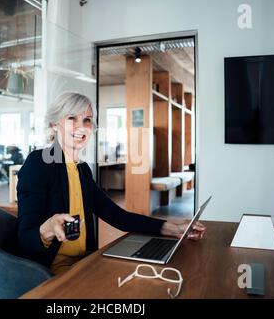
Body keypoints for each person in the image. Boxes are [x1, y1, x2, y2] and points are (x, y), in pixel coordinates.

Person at [16, 92, 206, 275]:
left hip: (85, 264)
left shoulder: (81, 170)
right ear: (54, 124)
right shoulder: (39, 163)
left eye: (87, 120)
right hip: (53, 272)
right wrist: (48, 228)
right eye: (72, 118)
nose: (81, 127)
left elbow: (117, 216)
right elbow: (24, 240)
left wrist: (175, 229)